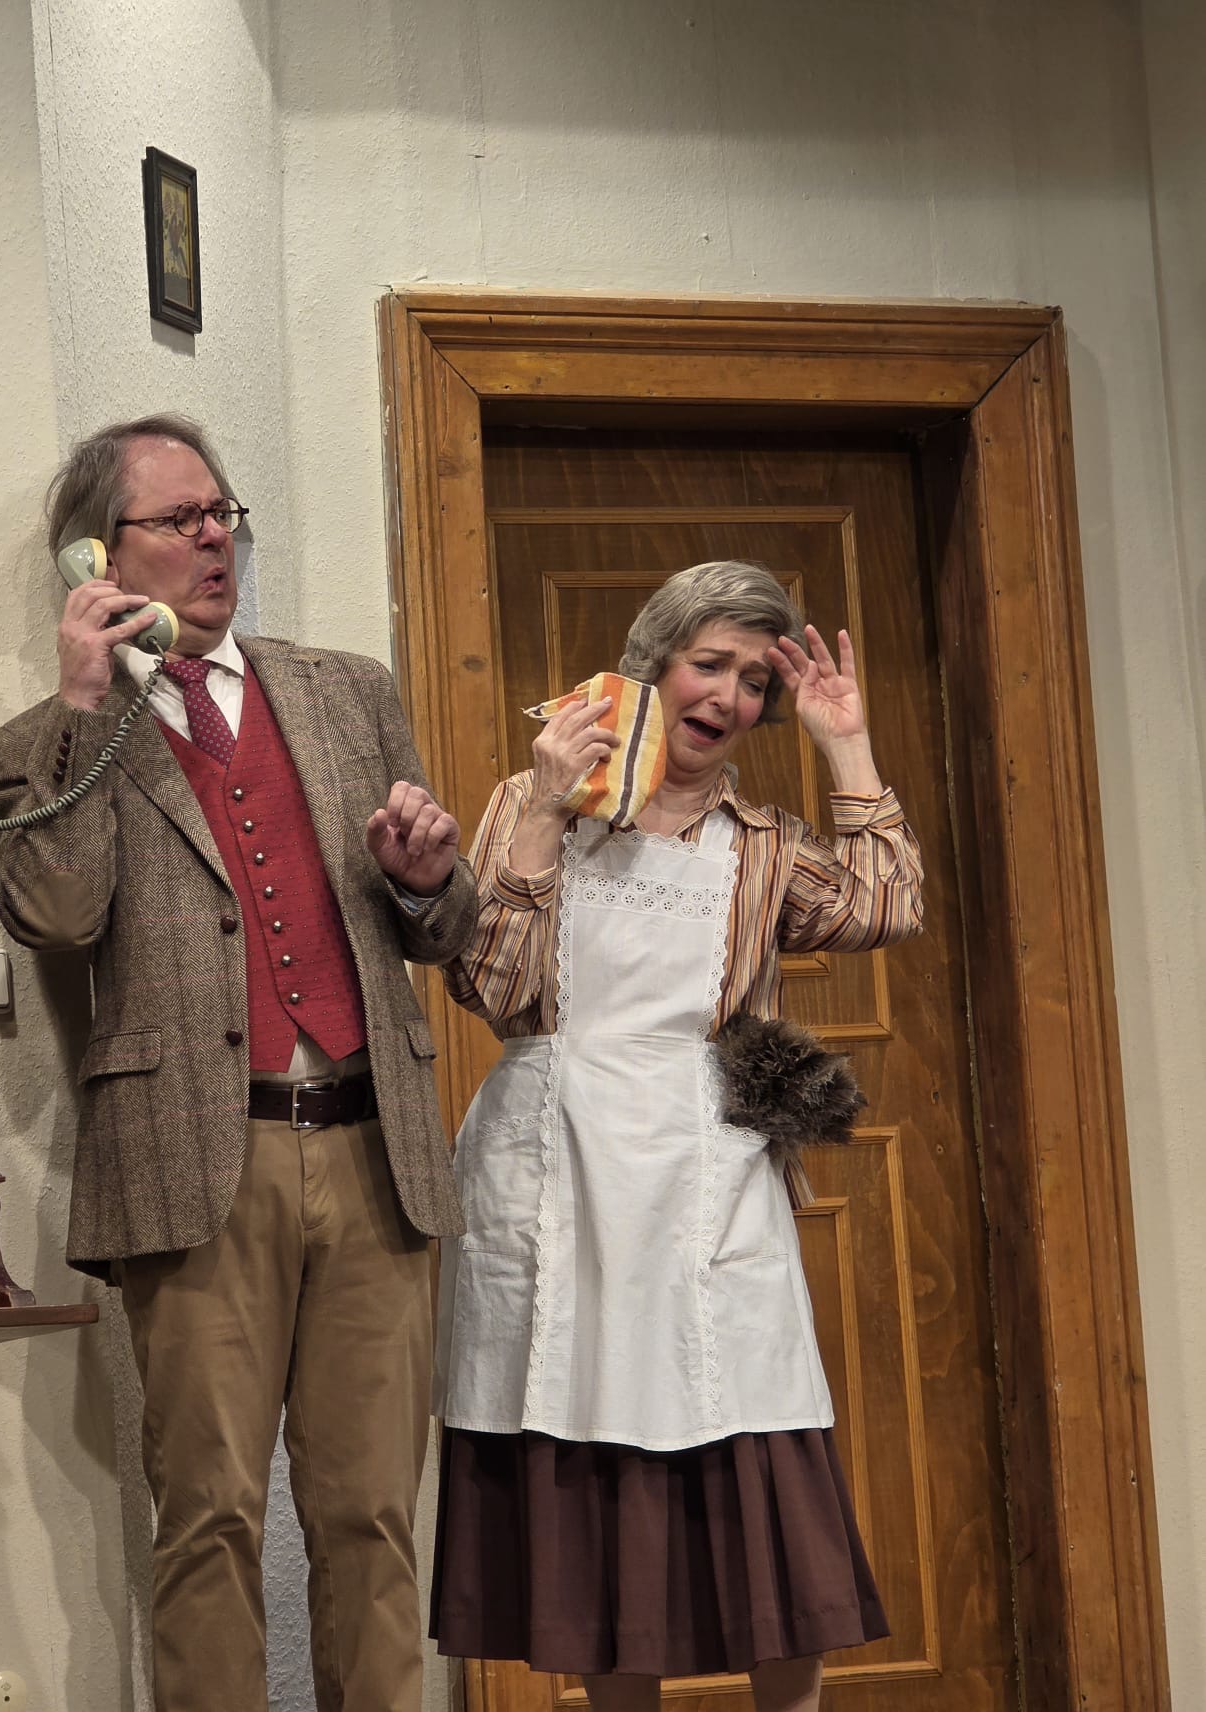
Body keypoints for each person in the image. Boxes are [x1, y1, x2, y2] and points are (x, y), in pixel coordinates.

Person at [0, 413, 476, 1712]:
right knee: (208, 1519)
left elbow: (446, 928)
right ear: (98, 555)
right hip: (197, 1163)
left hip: (373, 1152)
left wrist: (428, 881)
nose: (216, 538)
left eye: (223, 513)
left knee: (374, 1517)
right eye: (180, 518)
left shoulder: (348, 692)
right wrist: (85, 705)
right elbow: (54, 916)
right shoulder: (46, 741)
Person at [431, 560, 924, 1712]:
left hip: (707, 1174)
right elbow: (487, 985)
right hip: (558, 1169)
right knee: (594, 1475)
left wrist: (847, 744)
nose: (730, 695)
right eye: (712, 664)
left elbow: (887, 903)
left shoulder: (763, 841)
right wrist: (546, 807)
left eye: (754, 681)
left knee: (761, 1468)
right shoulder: (529, 800)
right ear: (652, 660)